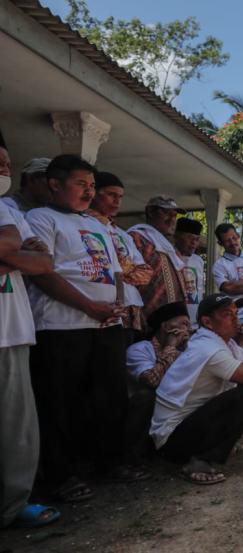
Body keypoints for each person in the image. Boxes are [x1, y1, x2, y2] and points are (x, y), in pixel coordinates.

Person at [26, 154, 146, 504]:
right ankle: (63, 476)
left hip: (107, 324)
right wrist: (90, 307)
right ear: (55, 184)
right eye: (82, 184)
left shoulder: (96, 225)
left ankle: (109, 462)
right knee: (61, 404)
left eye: (92, 186)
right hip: (62, 326)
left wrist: (117, 305)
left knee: (110, 397)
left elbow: (115, 272)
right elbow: (43, 273)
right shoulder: (39, 219)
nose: (89, 192)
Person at [150, 294, 243, 484]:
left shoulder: (225, 343)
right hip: (171, 440)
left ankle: (209, 451)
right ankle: (199, 460)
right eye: (227, 314)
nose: (235, 318)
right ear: (207, 322)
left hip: (188, 428)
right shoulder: (208, 348)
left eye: (235, 313)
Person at [0, 153, 59, 528]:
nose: (4, 168)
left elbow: (44, 263)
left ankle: (11, 506)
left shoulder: (11, 213)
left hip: (10, 330)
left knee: (16, 427)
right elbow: (12, 249)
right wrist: (16, 256)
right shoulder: (8, 209)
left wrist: (15, 257)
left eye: (6, 160)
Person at [88, 171, 152, 342]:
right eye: (111, 195)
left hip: (132, 309)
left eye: (120, 197)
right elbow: (102, 266)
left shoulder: (122, 234)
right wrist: (127, 267)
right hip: (105, 307)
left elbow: (146, 273)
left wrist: (119, 268)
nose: (117, 201)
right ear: (94, 194)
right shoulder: (87, 226)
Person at [124, 301, 190, 461]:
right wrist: (171, 347)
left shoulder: (185, 351)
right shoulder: (139, 349)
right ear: (167, 327)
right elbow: (152, 381)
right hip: (137, 417)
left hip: (169, 413)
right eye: (184, 324)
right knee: (147, 396)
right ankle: (131, 458)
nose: (188, 330)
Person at [129, 196, 187, 318]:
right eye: (166, 213)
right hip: (148, 317)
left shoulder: (168, 247)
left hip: (172, 319)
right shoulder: (136, 238)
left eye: (174, 215)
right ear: (150, 212)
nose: (171, 219)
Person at [174, 218, 206, 328]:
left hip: (195, 319)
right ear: (177, 237)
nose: (193, 243)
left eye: (197, 239)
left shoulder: (198, 261)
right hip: (175, 319)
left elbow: (200, 290)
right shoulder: (168, 256)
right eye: (189, 238)